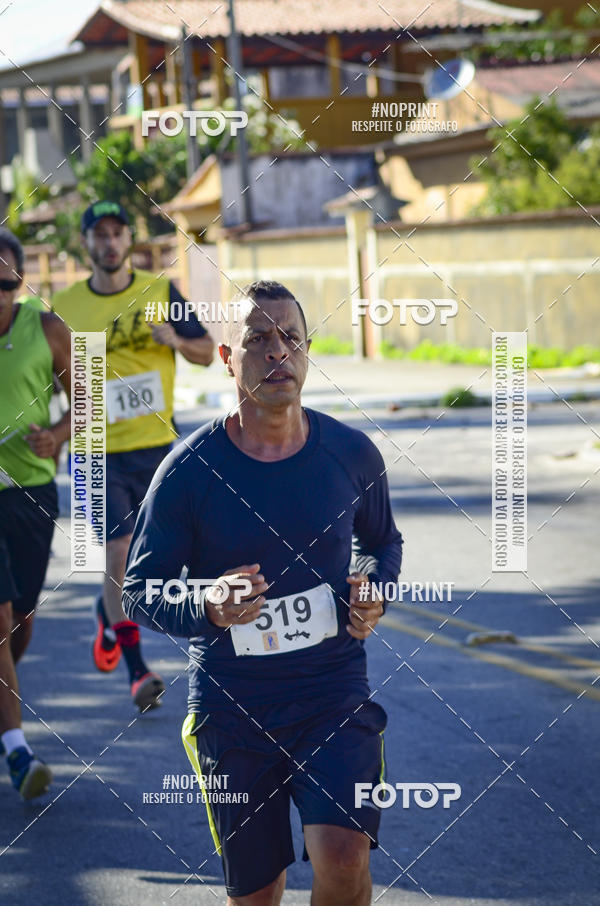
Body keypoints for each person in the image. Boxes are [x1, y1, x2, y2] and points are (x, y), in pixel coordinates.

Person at [122, 280, 403, 905]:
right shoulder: (187, 472)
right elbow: (138, 591)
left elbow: (383, 542)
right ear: (227, 358)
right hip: (233, 706)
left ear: (307, 351)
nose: (278, 351)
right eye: (258, 339)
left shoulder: (351, 453)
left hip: (331, 690)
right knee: (257, 893)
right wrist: (207, 603)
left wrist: (374, 589)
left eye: (291, 338)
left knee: (345, 857)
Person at [53, 201, 214, 712]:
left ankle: (109, 615)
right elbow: (49, 374)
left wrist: (175, 339)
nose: (109, 242)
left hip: (156, 448)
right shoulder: (63, 305)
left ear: (128, 240)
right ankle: (137, 671)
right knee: (118, 556)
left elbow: (207, 352)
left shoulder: (160, 291)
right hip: (94, 452)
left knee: (164, 558)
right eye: (99, 234)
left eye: (117, 233)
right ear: (85, 243)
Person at [0, 228, 72, 799]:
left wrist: (58, 434)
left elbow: (90, 399)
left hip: (31, 491)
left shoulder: (48, 329)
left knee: (20, 618)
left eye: (4, 284)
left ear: (20, 283)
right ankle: (18, 753)